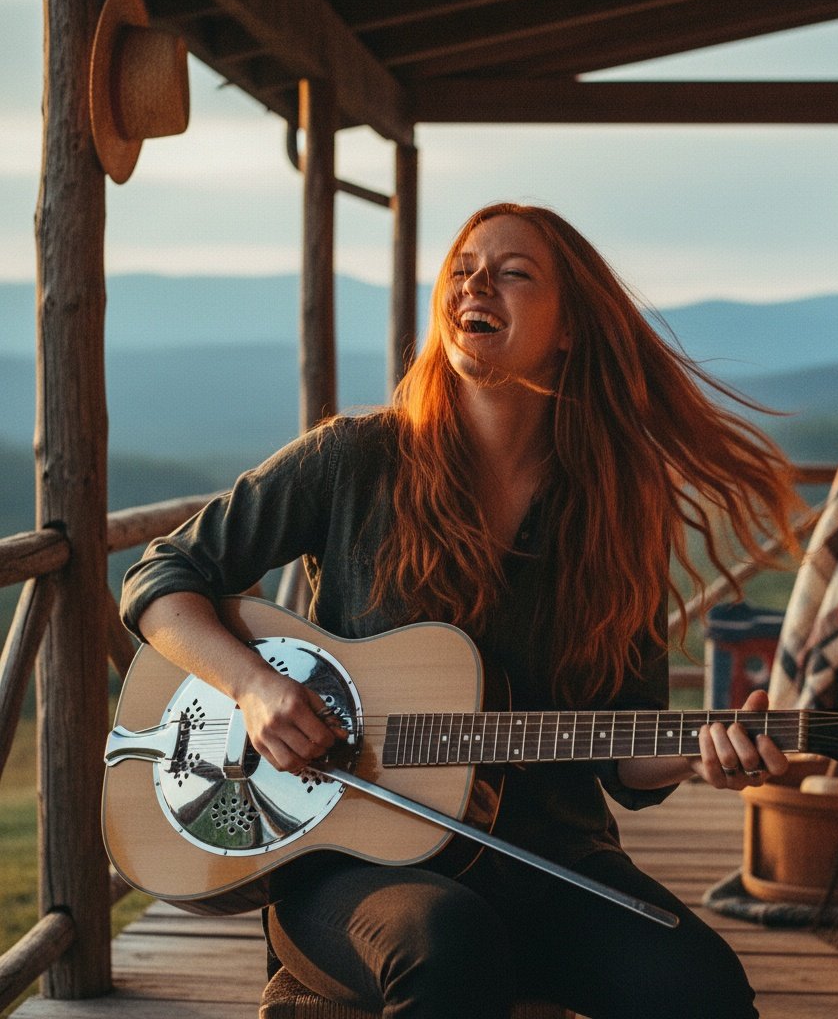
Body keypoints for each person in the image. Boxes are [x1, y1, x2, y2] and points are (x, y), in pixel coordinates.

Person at [121, 203, 802, 1019]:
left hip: (551, 860)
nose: (476, 281)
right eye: (464, 268)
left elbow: (626, 751)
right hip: (347, 866)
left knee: (701, 986)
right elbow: (162, 578)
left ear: (569, 330)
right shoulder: (355, 458)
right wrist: (255, 689)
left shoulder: (614, 511)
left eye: (513, 272)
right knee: (449, 946)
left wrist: (701, 753)